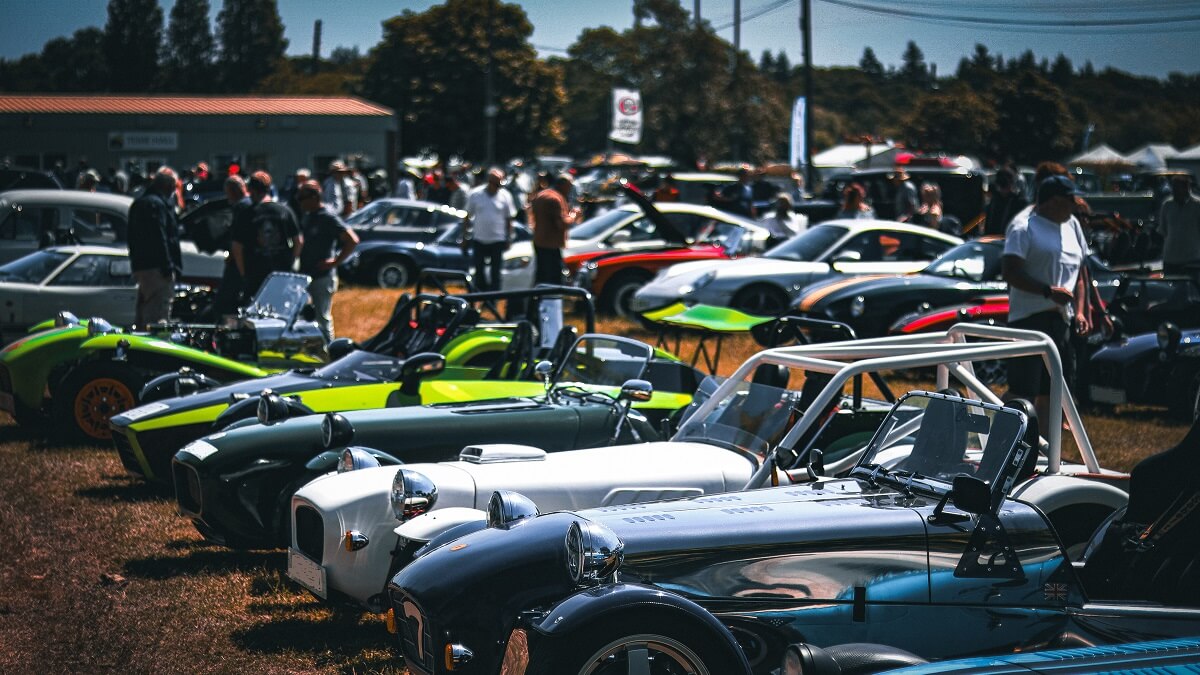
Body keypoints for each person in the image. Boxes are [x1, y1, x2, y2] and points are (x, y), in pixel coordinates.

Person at [1002, 175, 1091, 438]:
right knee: (1022, 390)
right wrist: (1047, 291)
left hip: (1061, 320)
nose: (1075, 206)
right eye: (1070, 200)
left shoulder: (1072, 224)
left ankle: (1045, 452)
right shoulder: (1023, 227)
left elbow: (1081, 274)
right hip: (1029, 319)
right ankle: (1005, 445)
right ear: (1053, 202)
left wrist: (1082, 311)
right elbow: (1010, 272)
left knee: (1052, 391)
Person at [296, 180, 358, 340]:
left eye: (303, 197)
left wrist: (335, 262)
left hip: (323, 276)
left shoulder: (327, 217)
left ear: (315, 197)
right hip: (306, 275)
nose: (300, 201)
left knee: (322, 318)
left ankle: (329, 353)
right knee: (305, 317)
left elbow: (352, 240)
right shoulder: (308, 217)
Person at [231, 171, 303, 299]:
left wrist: (243, 274)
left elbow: (237, 247)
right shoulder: (284, 211)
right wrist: (290, 262)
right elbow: (299, 241)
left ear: (251, 190)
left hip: (255, 274)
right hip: (281, 274)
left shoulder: (246, 214)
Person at [128, 167, 182, 325]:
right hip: (157, 269)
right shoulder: (158, 206)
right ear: (168, 187)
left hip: (140, 266)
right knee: (158, 315)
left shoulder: (138, 204)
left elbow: (131, 237)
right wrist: (168, 266)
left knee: (142, 311)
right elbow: (161, 237)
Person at [463, 168, 516, 291]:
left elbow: (509, 219)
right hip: (479, 238)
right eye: (496, 184)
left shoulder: (506, 196)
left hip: (498, 239)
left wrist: (509, 238)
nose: (497, 187)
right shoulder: (475, 194)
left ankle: (493, 299)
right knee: (479, 271)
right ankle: (479, 295)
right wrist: (465, 236)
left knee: (495, 272)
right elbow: (467, 217)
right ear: (490, 182)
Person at [213, 175, 252, 322]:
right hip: (250, 261)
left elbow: (237, 241)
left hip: (238, 264)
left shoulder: (240, 207)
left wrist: (233, 258)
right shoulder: (251, 204)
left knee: (223, 304)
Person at [530, 173, 581, 285]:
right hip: (550, 245)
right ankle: (551, 300)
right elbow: (561, 223)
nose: (570, 189)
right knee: (554, 278)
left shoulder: (542, 195)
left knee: (540, 276)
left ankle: (536, 300)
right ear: (563, 185)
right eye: (569, 186)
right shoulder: (555, 199)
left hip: (539, 241)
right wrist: (574, 215)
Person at [1155, 174, 1200, 283]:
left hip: (1192, 259)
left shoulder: (1197, 205)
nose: (1174, 191)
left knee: (1193, 292)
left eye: (1177, 187)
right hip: (1171, 259)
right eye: (1173, 187)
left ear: (1187, 188)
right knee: (1169, 290)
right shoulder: (1167, 205)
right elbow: (1163, 230)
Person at [983, 167, 1028, 237]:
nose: (1003, 189)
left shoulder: (1019, 202)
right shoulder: (994, 200)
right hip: (991, 239)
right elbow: (988, 223)